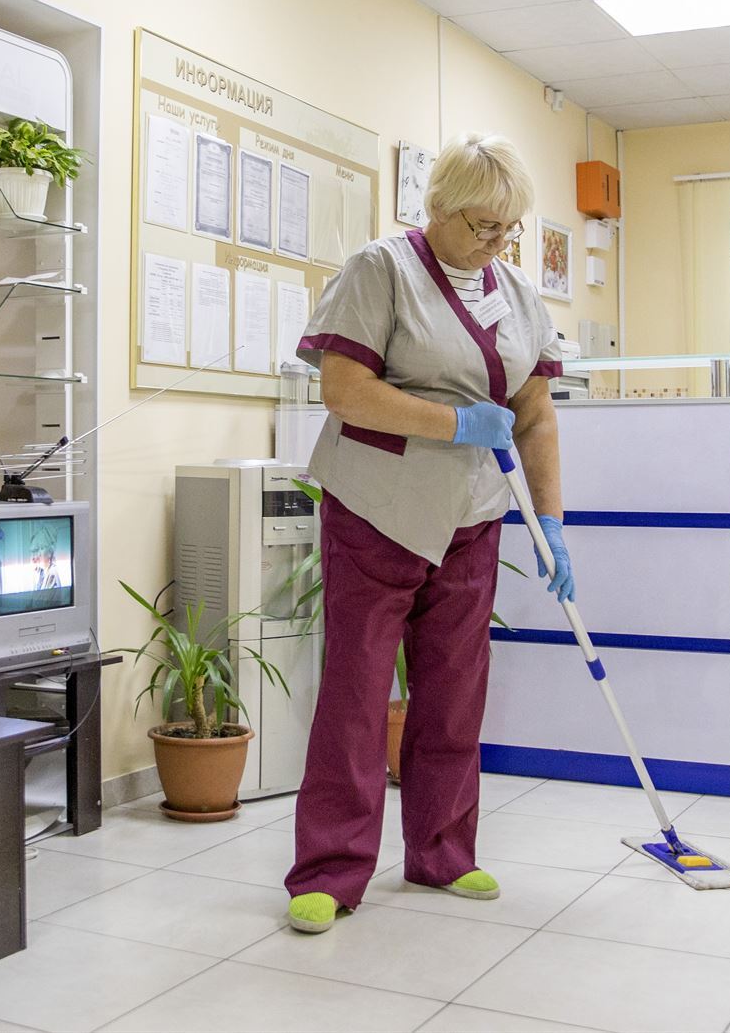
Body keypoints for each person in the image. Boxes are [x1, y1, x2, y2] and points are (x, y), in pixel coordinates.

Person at [284, 133, 574, 933]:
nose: (496, 243)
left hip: (472, 516)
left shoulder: (516, 292)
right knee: (356, 692)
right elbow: (345, 390)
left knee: (453, 692)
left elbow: (535, 417)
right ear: (438, 208)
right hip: (379, 506)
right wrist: (453, 421)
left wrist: (551, 522)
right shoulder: (380, 269)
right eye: (482, 225)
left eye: (508, 228)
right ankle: (330, 870)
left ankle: (443, 852)